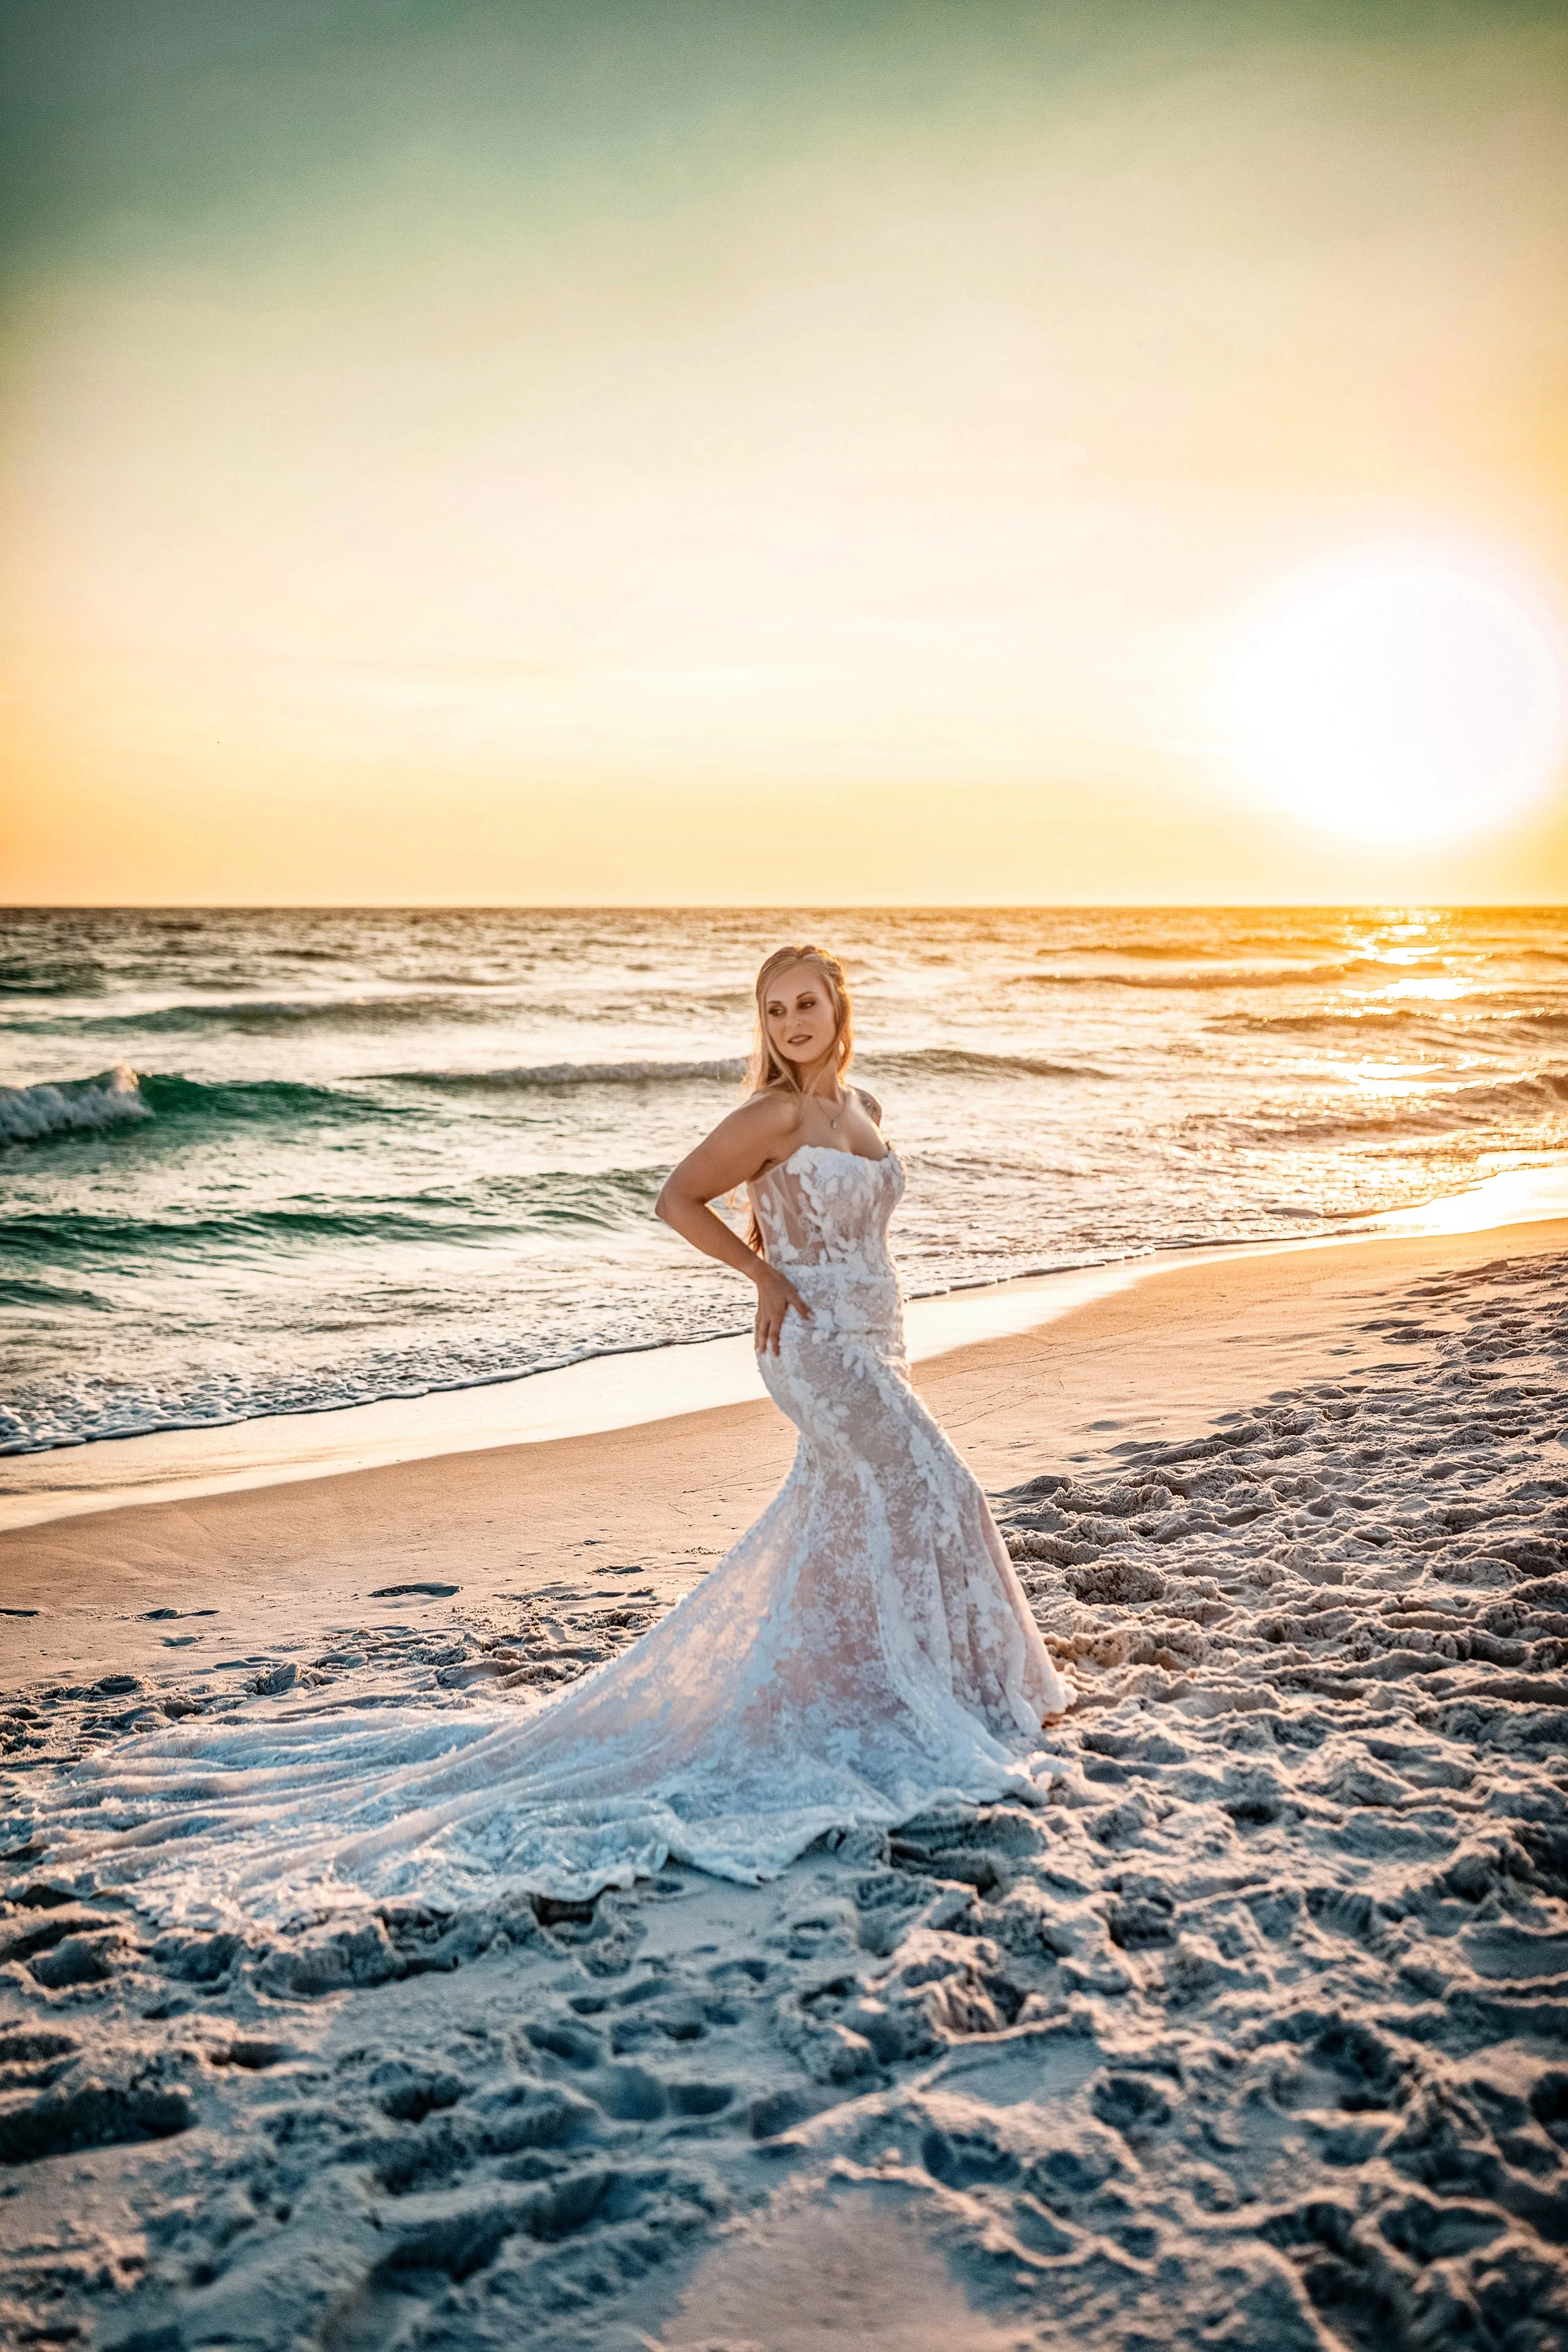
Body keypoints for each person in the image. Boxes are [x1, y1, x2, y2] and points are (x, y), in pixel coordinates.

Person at [19, 948, 1072, 1919]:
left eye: (807, 1002)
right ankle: (969, 1691)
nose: (793, 1020)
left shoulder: (864, 1105)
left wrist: (854, 1299)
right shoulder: (774, 1115)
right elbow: (675, 1198)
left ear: (840, 1005)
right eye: (773, 1008)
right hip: (806, 1341)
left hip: (875, 1333)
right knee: (944, 1486)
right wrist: (764, 1274)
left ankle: (875, 1690)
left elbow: (860, 1231)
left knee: (851, 1514)